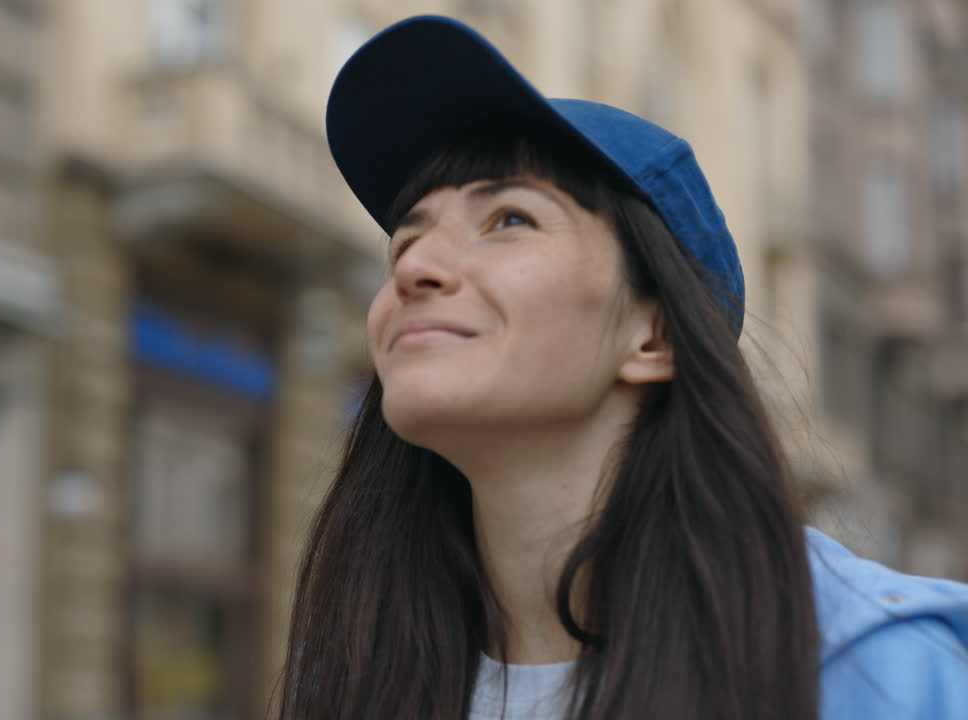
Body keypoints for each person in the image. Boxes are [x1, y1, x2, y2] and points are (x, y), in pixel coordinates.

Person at [274, 15, 968, 720]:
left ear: (654, 335)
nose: (414, 267)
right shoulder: (352, 672)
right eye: (404, 242)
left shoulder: (878, 672)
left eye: (509, 220)